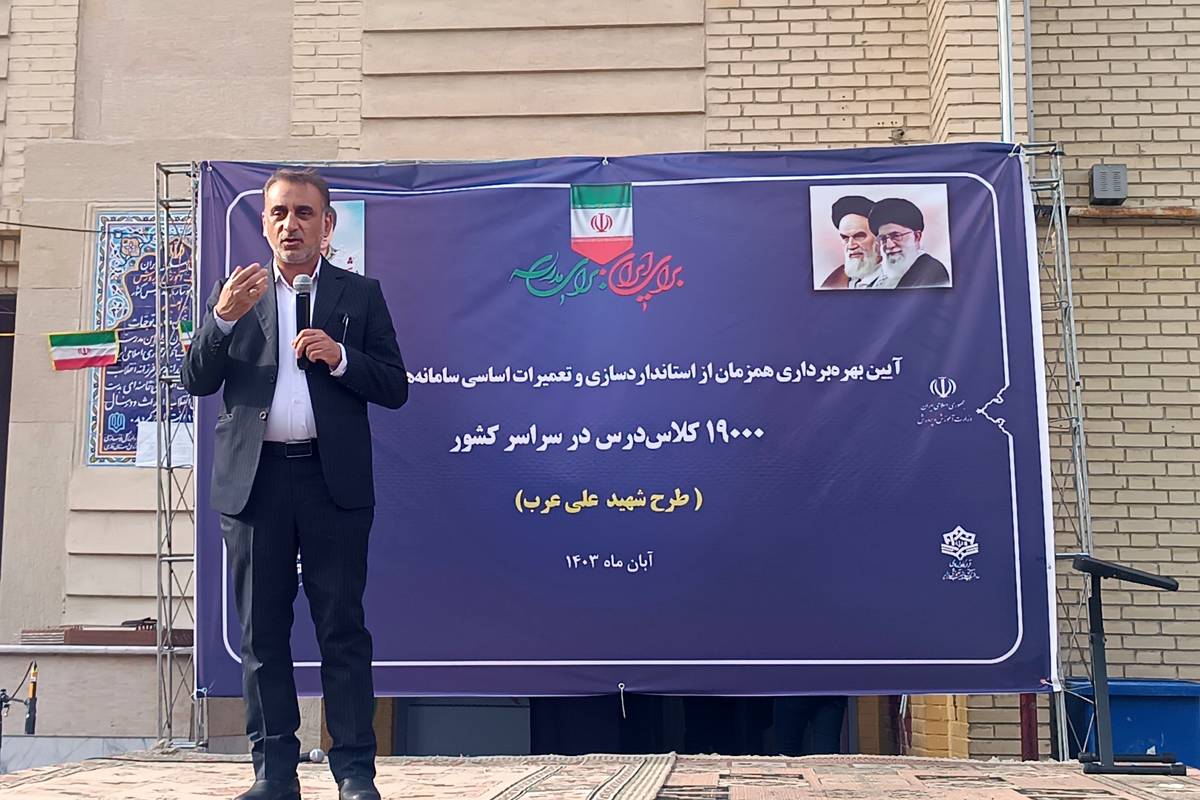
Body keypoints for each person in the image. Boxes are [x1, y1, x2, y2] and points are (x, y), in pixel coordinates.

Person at [183, 167, 408, 800]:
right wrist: (221, 320)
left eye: (304, 213)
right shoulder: (235, 295)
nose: (291, 225)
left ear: (327, 225)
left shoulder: (360, 294)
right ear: (264, 224)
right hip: (255, 485)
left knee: (342, 630)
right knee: (262, 636)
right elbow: (196, 378)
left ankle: (354, 772)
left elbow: (395, 386)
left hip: (330, 482)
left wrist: (341, 357)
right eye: (279, 213)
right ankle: (274, 773)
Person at [864, 197, 951, 289]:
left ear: (916, 236)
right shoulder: (882, 278)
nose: (889, 245)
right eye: (883, 238)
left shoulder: (931, 272)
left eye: (896, 236)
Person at [820, 195, 881, 290]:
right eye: (845, 238)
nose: (851, 245)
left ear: (879, 238)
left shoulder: (900, 278)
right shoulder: (835, 279)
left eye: (859, 236)